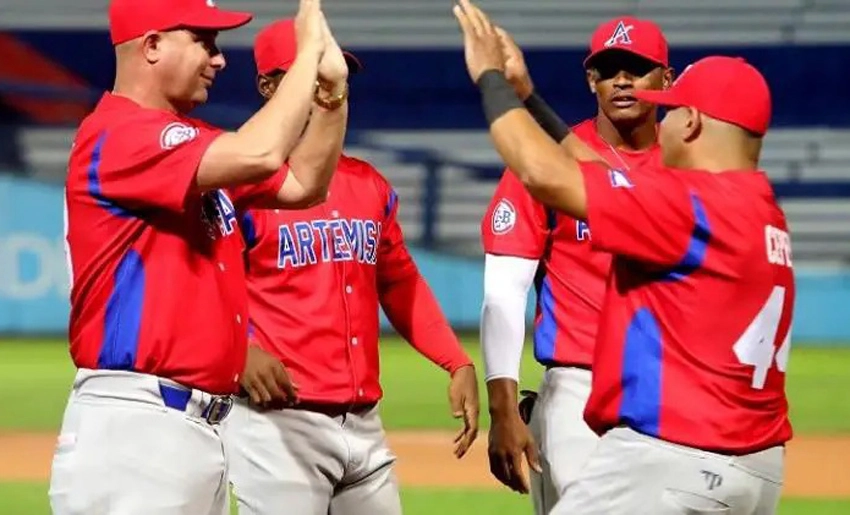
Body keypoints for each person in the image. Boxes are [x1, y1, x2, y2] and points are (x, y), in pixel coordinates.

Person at [455, 1, 794, 513]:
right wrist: (531, 96)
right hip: (755, 463)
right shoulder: (758, 209)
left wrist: (490, 79)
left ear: (694, 124)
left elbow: (544, 174)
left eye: (675, 106)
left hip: (675, 455)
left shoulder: (688, 205)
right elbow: (617, 181)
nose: (665, 112)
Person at [49, 0, 351, 513]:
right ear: (151, 46)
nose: (219, 59)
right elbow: (262, 152)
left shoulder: (192, 145)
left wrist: (332, 96)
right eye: (204, 43)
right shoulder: (117, 135)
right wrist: (307, 55)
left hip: (196, 430)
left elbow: (304, 184)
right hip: (137, 430)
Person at [220, 18, 480, 515]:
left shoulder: (368, 184)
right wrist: (239, 350)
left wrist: (456, 359)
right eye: (312, 77)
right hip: (278, 425)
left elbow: (399, 280)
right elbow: (202, 286)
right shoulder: (237, 184)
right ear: (270, 87)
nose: (327, 92)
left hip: (364, 423)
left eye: (334, 78)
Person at [479, 17, 672, 512]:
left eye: (638, 68)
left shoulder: (688, 164)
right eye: (608, 70)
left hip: (674, 387)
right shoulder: (540, 166)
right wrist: (502, 403)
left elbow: (621, 191)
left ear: (666, 80)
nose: (622, 80)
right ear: (592, 82)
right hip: (579, 391)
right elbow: (505, 286)